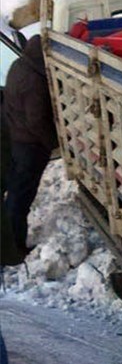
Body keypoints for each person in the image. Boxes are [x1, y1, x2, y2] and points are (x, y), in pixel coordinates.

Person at [2, 34, 58, 252]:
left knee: (16, 195)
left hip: (17, 140)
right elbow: (37, 121)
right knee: (20, 199)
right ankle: (14, 247)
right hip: (31, 147)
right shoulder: (35, 80)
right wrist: (52, 142)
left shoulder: (18, 66)